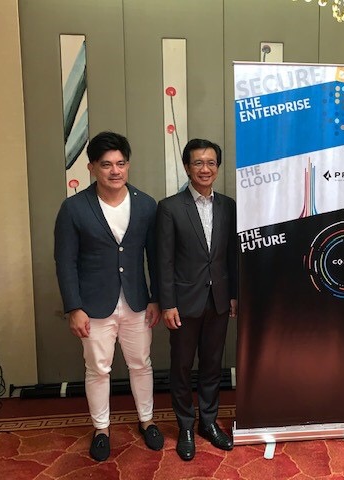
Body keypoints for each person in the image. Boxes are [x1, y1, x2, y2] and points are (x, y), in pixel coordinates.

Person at [54, 131, 163, 462]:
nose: (115, 171)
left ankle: (147, 421)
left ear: (128, 165)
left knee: (141, 363)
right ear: (91, 168)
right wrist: (74, 307)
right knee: (98, 369)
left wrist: (156, 298)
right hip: (93, 306)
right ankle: (101, 429)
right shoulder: (74, 208)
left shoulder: (146, 205)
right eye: (106, 165)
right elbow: (65, 261)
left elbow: (155, 257)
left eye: (121, 163)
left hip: (137, 302)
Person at [156, 138, 238, 461]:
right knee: (181, 366)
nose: (205, 169)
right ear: (187, 167)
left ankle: (208, 422)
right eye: (198, 163)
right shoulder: (170, 208)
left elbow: (231, 255)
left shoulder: (228, 206)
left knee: (212, 365)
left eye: (211, 163)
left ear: (218, 167)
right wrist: (167, 303)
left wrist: (234, 295)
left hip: (218, 300)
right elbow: (164, 261)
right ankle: (185, 427)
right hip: (183, 303)